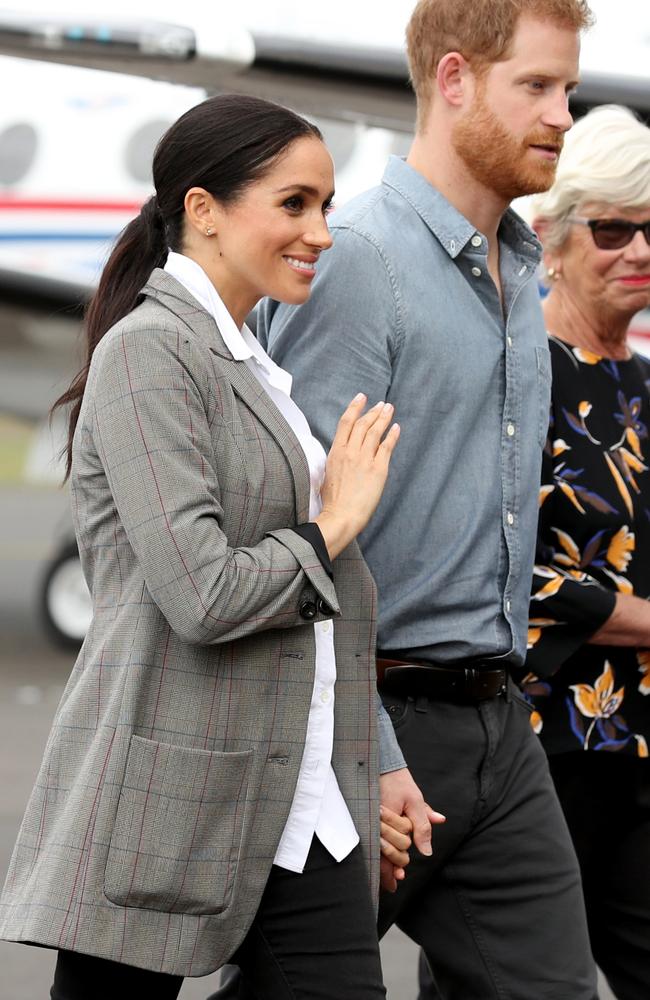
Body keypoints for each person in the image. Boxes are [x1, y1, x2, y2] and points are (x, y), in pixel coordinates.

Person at [0, 93, 419, 1000]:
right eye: (295, 203)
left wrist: (365, 766)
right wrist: (333, 523)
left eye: (327, 206)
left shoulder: (253, 364)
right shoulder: (149, 351)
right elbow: (205, 593)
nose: (322, 231)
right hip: (168, 796)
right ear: (203, 211)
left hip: (299, 801)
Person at [256, 1, 602, 997]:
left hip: (499, 720)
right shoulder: (358, 261)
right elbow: (304, 532)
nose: (561, 113)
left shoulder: (520, 270)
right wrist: (373, 748)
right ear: (453, 82)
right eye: (534, 86)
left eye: (566, 88)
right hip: (372, 720)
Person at [514, 105, 650, 1000]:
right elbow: (487, 554)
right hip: (549, 742)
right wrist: (635, 620)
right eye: (612, 227)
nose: (638, 249)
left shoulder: (641, 382)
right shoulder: (521, 371)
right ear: (550, 239)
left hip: (640, 744)